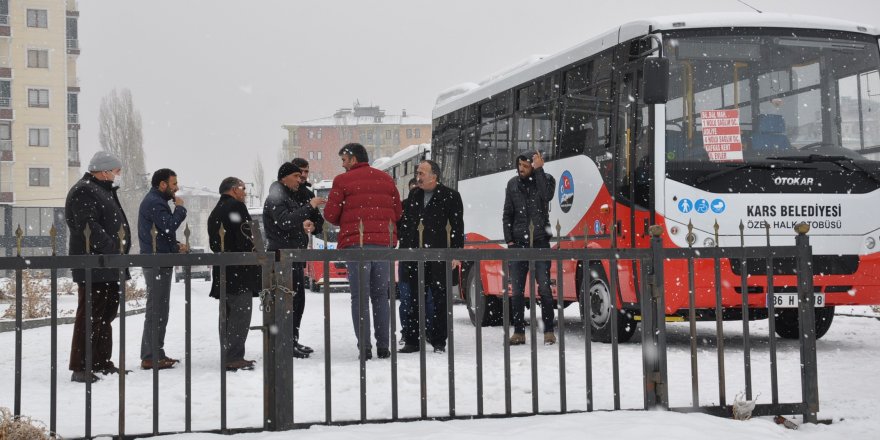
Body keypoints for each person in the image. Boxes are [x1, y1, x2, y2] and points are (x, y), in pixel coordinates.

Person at [324, 143, 401, 360]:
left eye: (344, 160)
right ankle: (384, 346)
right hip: (383, 245)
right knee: (380, 296)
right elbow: (397, 211)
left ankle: (365, 347)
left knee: (360, 297)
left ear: (353, 158)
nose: (342, 164)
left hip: (356, 245)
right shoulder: (385, 178)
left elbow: (330, 215)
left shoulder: (342, 180)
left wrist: (347, 218)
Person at [65, 151, 132, 383]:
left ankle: (101, 361)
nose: (117, 176)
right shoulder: (85, 190)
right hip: (94, 264)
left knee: (105, 316)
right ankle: (81, 365)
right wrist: (112, 248)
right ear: (104, 171)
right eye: (116, 172)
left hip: (108, 265)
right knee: (91, 315)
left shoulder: (102, 191)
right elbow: (88, 226)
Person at [397, 160, 464, 353]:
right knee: (414, 299)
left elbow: (457, 227)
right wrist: (406, 249)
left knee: (440, 300)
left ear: (434, 176)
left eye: (421, 173)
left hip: (439, 255)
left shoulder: (451, 196)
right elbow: (409, 223)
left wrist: (456, 253)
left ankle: (438, 341)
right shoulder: (414, 194)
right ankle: (412, 339)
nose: (418, 176)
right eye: (418, 172)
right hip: (415, 255)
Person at [263, 162, 325, 358]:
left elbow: (293, 220)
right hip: (283, 257)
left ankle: (292, 340)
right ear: (285, 177)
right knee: (286, 301)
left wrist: (308, 222)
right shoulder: (277, 195)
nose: (301, 180)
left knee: (297, 300)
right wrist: (309, 206)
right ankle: (285, 342)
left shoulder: (288, 194)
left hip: (293, 255)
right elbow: (285, 221)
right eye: (297, 176)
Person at [502, 150, 557, 345]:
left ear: (533, 166)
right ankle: (518, 331)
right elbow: (507, 213)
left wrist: (540, 171)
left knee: (544, 288)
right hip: (517, 243)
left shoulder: (546, 179)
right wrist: (509, 240)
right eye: (519, 166)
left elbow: (547, 195)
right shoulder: (512, 184)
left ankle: (549, 331)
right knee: (516, 290)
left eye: (525, 166)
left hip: (540, 241)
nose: (521, 170)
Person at [207, 177, 261, 371]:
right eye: (243, 189)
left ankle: (228, 353)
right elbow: (247, 235)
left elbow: (216, 243)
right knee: (240, 314)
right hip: (239, 269)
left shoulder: (215, 211)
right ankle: (234, 356)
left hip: (223, 269)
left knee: (227, 315)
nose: (245, 193)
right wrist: (256, 251)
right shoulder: (236, 207)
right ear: (234, 189)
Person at [138, 168, 188, 370]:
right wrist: (180, 209)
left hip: (159, 258)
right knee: (156, 309)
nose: (176, 188)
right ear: (162, 184)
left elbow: (160, 234)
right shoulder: (155, 202)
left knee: (159, 309)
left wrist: (175, 246)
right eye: (174, 183)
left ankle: (155, 353)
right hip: (155, 261)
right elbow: (168, 226)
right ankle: (151, 355)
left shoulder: (156, 201)